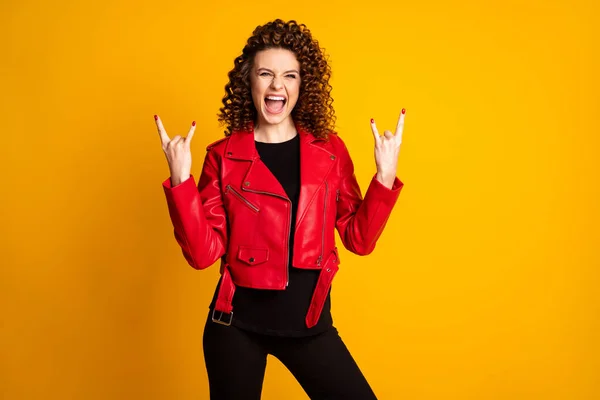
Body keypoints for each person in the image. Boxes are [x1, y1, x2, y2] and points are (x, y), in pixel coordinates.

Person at [155, 19, 406, 400]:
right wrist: (180, 181)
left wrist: (384, 179)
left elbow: (359, 240)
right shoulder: (221, 157)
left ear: (302, 86)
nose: (277, 85)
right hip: (234, 327)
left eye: (289, 75)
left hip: (310, 328)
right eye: (266, 74)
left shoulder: (330, 150)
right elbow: (203, 254)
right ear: (249, 83)